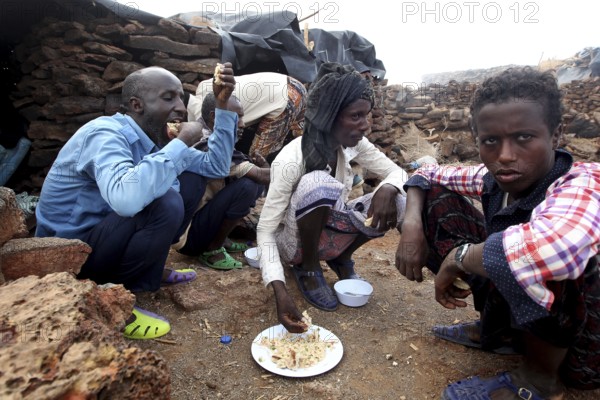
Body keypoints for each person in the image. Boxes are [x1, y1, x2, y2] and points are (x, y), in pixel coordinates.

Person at [395, 67, 600, 399]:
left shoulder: (583, 182)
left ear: (556, 135)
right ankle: (500, 334)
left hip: (585, 347)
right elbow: (427, 173)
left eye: (524, 138)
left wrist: (458, 258)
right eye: (491, 141)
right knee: (439, 199)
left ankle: (538, 381)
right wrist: (411, 225)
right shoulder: (493, 179)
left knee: (559, 256)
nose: (505, 155)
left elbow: (555, 248)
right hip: (527, 318)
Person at [35, 64, 238, 339]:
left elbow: (216, 167)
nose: (180, 107)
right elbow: (126, 200)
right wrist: (183, 142)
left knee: (190, 181)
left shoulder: (153, 140)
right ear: (136, 104)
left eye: (181, 97)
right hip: (70, 255)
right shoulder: (105, 134)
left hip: (104, 236)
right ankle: (117, 299)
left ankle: (149, 269)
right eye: (169, 98)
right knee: (166, 200)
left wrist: (223, 105)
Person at [256, 63, 409, 333]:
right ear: (329, 116)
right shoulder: (292, 159)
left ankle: (340, 258)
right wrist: (278, 290)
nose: (365, 126)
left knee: (398, 199)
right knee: (318, 184)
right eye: (356, 116)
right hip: (294, 246)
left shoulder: (353, 144)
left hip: (330, 231)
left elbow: (396, 172)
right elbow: (266, 231)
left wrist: (388, 188)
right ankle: (310, 269)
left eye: (367, 116)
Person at [172, 92, 269, 269]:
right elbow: (261, 175)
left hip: (197, 220)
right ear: (215, 117)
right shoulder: (206, 143)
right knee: (247, 186)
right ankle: (212, 249)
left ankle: (221, 239)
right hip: (187, 236)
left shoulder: (208, 136)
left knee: (250, 183)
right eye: (237, 117)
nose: (243, 124)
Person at [187, 72, 306, 162]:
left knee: (257, 156)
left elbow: (210, 146)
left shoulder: (202, 114)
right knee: (301, 140)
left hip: (285, 100)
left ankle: (264, 187)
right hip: (295, 86)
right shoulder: (204, 86)